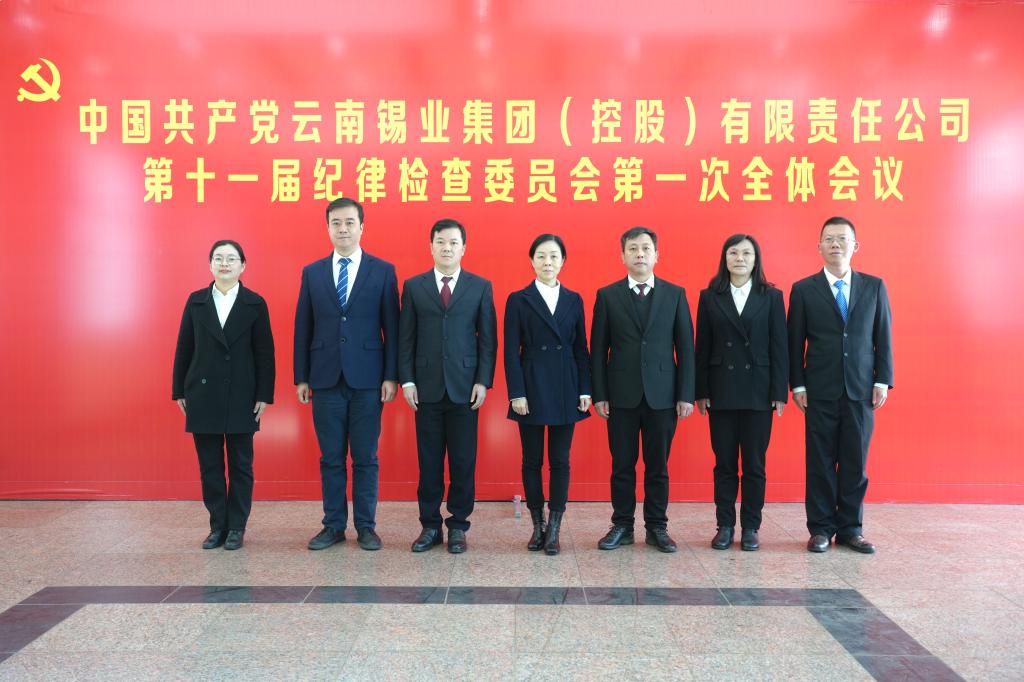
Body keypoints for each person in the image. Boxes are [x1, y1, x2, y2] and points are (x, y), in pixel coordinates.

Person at [294, 197, 400, 552]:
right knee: (331, 458)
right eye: (336, 223)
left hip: (369, 380)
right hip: (324, 379)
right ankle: (333, 525)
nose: (343, 229)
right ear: (327, 228)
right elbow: (303, 326)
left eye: (349, 222)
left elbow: (393, 328)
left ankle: (366, 527)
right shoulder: (312, 273)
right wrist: (301, 376)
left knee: (366, 458)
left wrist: (391, 375)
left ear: (361, 227)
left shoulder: (382, 271)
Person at [788, 216, 893, 554]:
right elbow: (794, 342)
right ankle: (820, 528)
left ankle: (850, 529)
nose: (836, 244)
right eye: (829, 238)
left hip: (861, 389)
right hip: (819, 390)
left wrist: (882, 379)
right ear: (819, 246)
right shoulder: (803, 290)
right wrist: (797, 385)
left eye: (842, 238)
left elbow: (883, 337)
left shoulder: (874, 286)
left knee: (855, 462)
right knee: (819, 461)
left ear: (855, 246)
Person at [591, 226, 695, 553]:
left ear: (656, 255)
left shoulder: (675, 294)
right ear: (622, 256)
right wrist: (600, 393)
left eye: (646, 248)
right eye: (633, 249)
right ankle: (622, 525)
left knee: (657, 466)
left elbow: (686, 348)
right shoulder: (607, 295)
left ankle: (656, 527)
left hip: (663, 396)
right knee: (622, 465)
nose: (639, 254)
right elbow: (598, 350)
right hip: (621, 395)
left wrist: (685, 394)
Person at [399, 218, 497, 554]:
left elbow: (488, 340)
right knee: (428, 462)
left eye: (454, 242)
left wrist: (483, 380)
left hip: (465, 388)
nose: (447, 248)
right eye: (441, 242)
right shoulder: (414, 287)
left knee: (462, 462)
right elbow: (405, 337)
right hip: (425, 388)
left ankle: (457, 525)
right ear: (431, 246)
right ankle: (429, 526)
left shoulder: (480, 286)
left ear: (463, 248)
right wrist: (407, 380)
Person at [172, 240, 275, 551]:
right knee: (210, 467)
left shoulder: (255, 303)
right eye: (219, 258)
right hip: (203, 394)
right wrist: (179, 390)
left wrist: (264, 394)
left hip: (243, 394)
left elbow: (265, 352)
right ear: (210, 265)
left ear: (243, 266)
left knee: (242, 465)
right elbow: (184, 347)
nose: (225, 264)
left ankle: (236, 527)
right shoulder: (196, 301)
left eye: (231, 258)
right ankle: (218, 526)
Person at [695, 234, 788, 552]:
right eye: (733, 253)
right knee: (723, 464)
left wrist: (779, 391)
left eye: (746, 253)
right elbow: (702, 346)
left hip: (758, 390)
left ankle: (750, 527)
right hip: (721, 389)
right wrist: (701, 390)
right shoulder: (710, 296)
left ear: (756, 259)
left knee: (754, 464)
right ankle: (724, 525)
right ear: (725, 258)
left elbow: (780, 346)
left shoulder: (771, 296)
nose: (739, 258)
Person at [504, 234, 592, 555]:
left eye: (554, 256)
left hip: (567, 385)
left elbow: (581, 349)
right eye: (541, 256)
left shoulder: (574, 299)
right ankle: (537, 524)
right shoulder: (518, 299)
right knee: (531, 460)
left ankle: (554, 526)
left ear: (563, 261)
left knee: (560, 460)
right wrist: (517, 392)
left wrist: (586, 389)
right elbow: (511, 352)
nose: (548, 262)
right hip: (531, 385)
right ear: (532, 260)